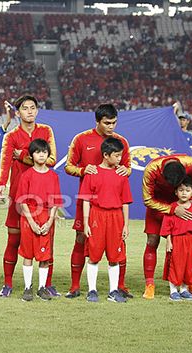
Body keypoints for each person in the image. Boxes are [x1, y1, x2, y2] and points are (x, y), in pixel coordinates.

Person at [64, 103, 131, 299]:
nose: (111, 127)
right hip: (88, 201)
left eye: (114, 122)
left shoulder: (121, 142)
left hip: (112, 204)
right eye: (107, 123)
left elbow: (128, 168)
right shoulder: (81, 139)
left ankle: (119, 286)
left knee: (118, 244)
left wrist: (125, 170)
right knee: (81, 239)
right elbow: (69, 166)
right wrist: (84, 170)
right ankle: (75, 286)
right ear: (97, 121)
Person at [0, 95, 58, 298]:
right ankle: (7, 284)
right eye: (25, 108)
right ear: (18, 112)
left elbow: (52, 159)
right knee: (13, 239)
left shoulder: (46, 131)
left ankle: (45, 285)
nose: (29, 111)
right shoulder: (11, 135)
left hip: (43, 197)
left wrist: (22, 155)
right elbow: (5, 159)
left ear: (37, 111)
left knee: (46, 240)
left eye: (33, 108)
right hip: (19, 194)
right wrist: (2, 183)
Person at [140, 154, 192, 299]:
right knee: (152, 241)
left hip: (182, 204)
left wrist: (189, 205)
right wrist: (172, 209)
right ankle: (149, 285)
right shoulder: (151, 170)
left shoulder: (190, 163)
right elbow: (147, 199)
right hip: (158, 206)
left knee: (187, 245)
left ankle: (191, 285)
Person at [78, 138, 132, 303]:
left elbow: (125, 202)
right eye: (116, 155)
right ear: (106, 155)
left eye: (120, 155)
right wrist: (86, 223)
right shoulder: (92, 173)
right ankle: (92, 290)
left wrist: (126, 225)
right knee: (93, 255)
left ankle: (113, 291)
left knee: (114, 257)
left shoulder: (121, 175)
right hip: (97, 216)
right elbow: (86, 200)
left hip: (116, 217)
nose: (119, 159)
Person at [15, 139, 63, 302]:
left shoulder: (53, 176)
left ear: (48, 154)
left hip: (46, 217)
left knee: (45, 256)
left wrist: (49, 222)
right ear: (31, 155)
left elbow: (56, 202)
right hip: (29, 218)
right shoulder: (26, 175)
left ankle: (42, 288)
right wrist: (32, 222)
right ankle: (28, 287)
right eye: (37, 152)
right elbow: (22, 201)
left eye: (44, 152)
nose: (41, 155)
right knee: (28, 255)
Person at [160, 177, 192, 301]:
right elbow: (167, 226)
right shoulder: (173, 208)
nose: (184, 193)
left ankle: (184, 289)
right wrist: (169, 241)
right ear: (176, 192)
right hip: (177, 241)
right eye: (181, 190)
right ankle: (173, 291)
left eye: (187, 190)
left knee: (188, 265)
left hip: (191, 241)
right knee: (175, 265)